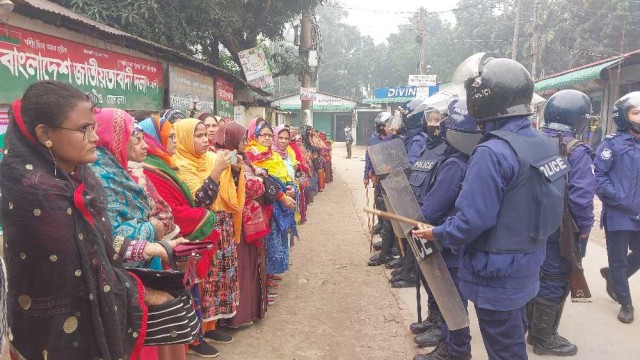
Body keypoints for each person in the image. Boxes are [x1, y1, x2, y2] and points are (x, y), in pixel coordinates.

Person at [0, 80, 174, 359]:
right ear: (45, 133)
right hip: (56, 330)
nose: (95, 138)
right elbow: (81, 272)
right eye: (83, 129)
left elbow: (98, 245)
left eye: (93, 127)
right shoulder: (37, 192)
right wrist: (144, 292)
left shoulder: (75, 175)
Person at [413, 54, 567, 360]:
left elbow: (472, 220)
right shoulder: (543, 144)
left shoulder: (492, 151)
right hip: (528, 264)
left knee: (505, 351)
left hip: (496, 274)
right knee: (512, 340)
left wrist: (438, 233)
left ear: (482, 101)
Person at [139, 115, 226, 358]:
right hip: (169, 242)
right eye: (171, 136)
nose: (176, 141)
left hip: (180, 237)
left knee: (196, 290)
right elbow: (185, 205)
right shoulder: (155, 168)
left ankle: (202, 331)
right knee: (181, 293)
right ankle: (195, 338)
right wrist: (217, 174)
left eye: (178, 137)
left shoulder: (167, 164)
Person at [525, 90, 596, 356]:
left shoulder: (530, 140)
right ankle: (543, 338)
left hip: (527, 224)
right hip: (561, 229)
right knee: (555, 279)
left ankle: (532, 328)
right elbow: (581, 199)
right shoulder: (576, 151)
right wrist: (584, 231)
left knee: (532, 274)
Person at [414, 97, 481, 360]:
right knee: (453, 299)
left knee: (451, 302)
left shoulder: (454, 164)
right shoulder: (471, 158)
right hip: (458, 239)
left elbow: (432, 208)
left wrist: (417, 220)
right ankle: (454, 346)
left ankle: (454, 351)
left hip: (447, 241)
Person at [174, 118, 242, 354]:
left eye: (207, 135)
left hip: (218, 224)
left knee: (218, 278)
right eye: (199, 135)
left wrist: (233, 170)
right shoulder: (181, 165)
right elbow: (198, 202)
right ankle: (196, 336)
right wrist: (215, 172)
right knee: (201, 281)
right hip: (197, 231)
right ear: (183, 139)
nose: (206, 139)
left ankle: (210, 324)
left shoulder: (210, 158)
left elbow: (228, 191)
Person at [214, 122, 280, 327]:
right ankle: (239, 316)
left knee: (250, 264)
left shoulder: (237, 156)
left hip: (245, 220)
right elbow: (248, 185)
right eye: (242, 139)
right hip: (236, 221)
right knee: (241, 268)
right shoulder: (225, 156)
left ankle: (248, 312)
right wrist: (261, 182)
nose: (245, 143)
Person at [594, 91, 640, 324]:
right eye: (636, 112)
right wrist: (617, 198)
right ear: (623, 117)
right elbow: (599, 176)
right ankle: (626, 303)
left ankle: (613, 277)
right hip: (619, 212)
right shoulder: (612, 143)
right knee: (619, 260)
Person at [245, 118, 297, 304]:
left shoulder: (273, 155)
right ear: (255, 136)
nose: (267, 138)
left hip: (275, 204)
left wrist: (290, 186)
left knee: (274, 243)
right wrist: (282, 195)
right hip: (262, 206)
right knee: (264, 245)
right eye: (263, 135)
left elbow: (284, 174)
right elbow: (265, 183)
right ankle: (263, 287)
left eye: (269, 135)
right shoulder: (250, 155)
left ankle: (269, 278)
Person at [364, 112, 397, 267]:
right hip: (378, 183)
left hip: (393, 184)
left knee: (390, 220)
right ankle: (385, 247)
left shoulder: (396, 139)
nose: (387, 128)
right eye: (384, 125)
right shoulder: (373, 140)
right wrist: (367, 175)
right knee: (382, 216)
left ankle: (388, 251)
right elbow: (369, 159)